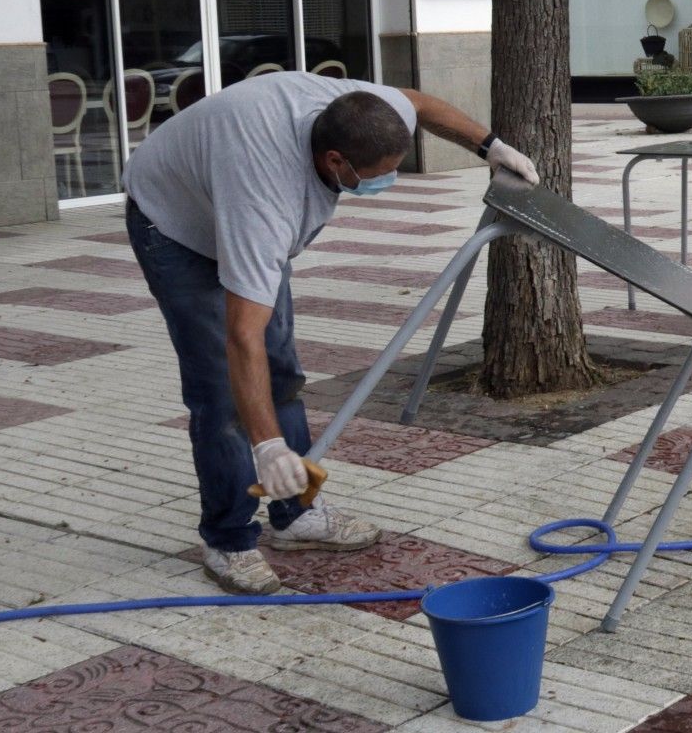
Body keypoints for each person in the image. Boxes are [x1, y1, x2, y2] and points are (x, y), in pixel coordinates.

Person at [123, 72, 538, 595]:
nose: (384, 182)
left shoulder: (370, 110)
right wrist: (267, 447)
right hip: (175, 223)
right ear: (335, 160)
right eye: (375, 175)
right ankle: (228, 540)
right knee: (221, 391)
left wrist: (491, 146)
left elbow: (419, 103)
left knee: (283, 372)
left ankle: (296, 512)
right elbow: (241, 337)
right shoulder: (264, 198)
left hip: (228, 188)